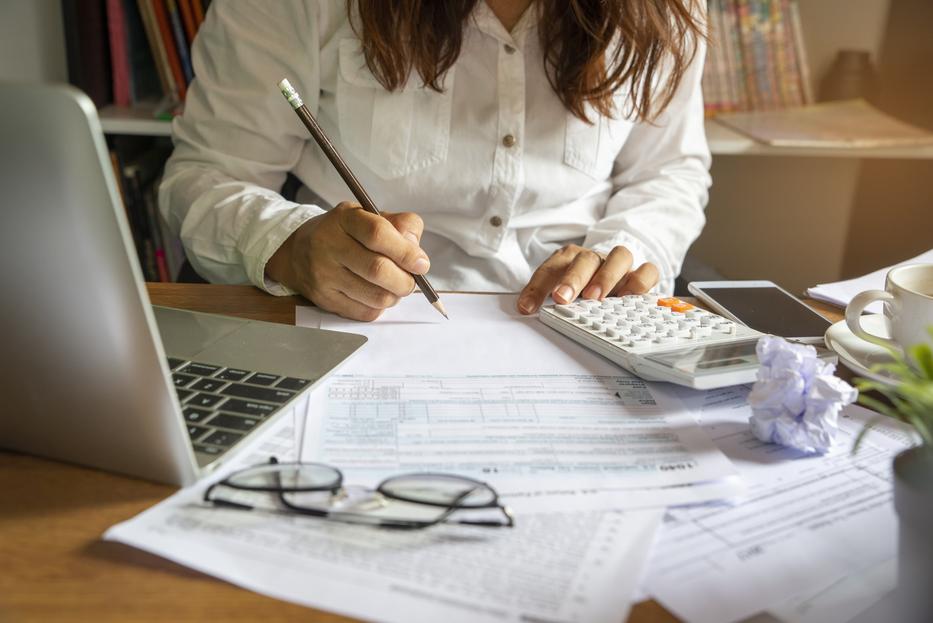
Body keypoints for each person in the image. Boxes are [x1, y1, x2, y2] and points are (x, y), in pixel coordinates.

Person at [160, 0, 711, 321]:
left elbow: (668, 172)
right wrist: (287, 244)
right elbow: (208, 174)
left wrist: (624, 254)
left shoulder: (665, 10)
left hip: (580, 324)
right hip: (350, 323)